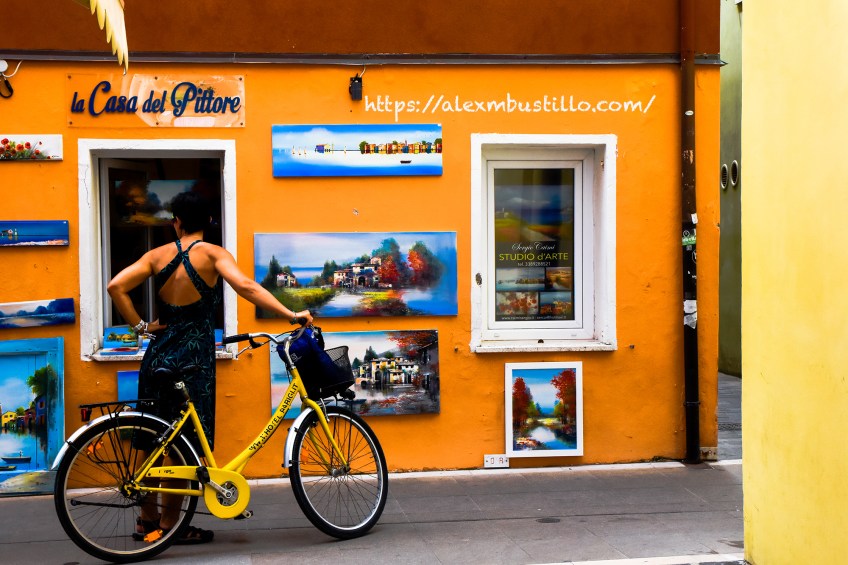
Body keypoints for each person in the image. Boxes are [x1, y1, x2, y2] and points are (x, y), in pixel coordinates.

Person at [107, 190, 312, 544]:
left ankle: (147, 520)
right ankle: (171, 527)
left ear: (177, 222)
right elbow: (246, 286)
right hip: (194, 361)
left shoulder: (156, 256)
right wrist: (291, 314)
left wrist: (141, 328)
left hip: (158, 354)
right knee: (184, 443)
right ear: (210, 221)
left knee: (154, 441)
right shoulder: (214, 254)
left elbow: (115, 286)